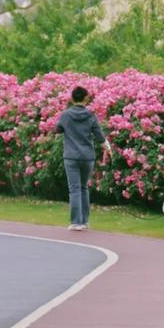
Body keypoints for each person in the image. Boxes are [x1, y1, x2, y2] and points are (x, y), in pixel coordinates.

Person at [55, 86, 111, 231]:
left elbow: (58, 129)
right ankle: (84, 221)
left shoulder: (66, 115)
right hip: (87, 157)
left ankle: (76, 222)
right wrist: (108, 149)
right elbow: (99, 136)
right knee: (84, 187)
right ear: (86, 98)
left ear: (72, 98)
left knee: (74, 189)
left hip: (71, 156)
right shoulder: (91, 115)